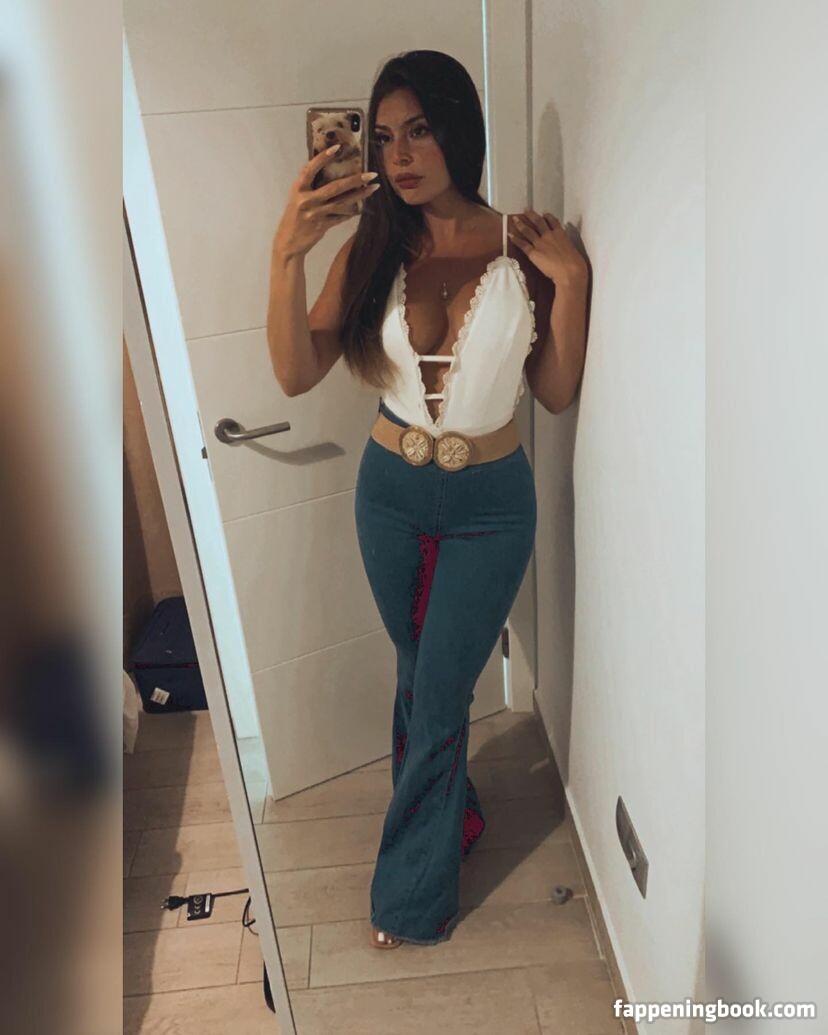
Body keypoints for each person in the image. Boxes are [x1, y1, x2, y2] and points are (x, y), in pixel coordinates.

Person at [267, 50, 588, 949]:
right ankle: (457, 811)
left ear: (458, 129)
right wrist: (287, 255)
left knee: (441, 692)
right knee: (422, 673)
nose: (400, 154)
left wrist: (573, 284)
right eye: (383, 137)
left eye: (418, 130)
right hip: (391, 495)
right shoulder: (373, 247)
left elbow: (555, 391)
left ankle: (410, 896)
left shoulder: (525, 246)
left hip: (492, 503)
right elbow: (295, 372)